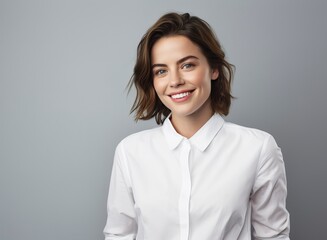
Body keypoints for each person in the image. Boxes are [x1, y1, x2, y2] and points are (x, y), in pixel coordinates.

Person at [104, 12, 290, 240]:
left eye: (187, 65)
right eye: (161, 71)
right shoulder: (129, 152)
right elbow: (119, 235)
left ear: (213, 69)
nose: (174, 81)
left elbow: (273, 237)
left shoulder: (258, 148)